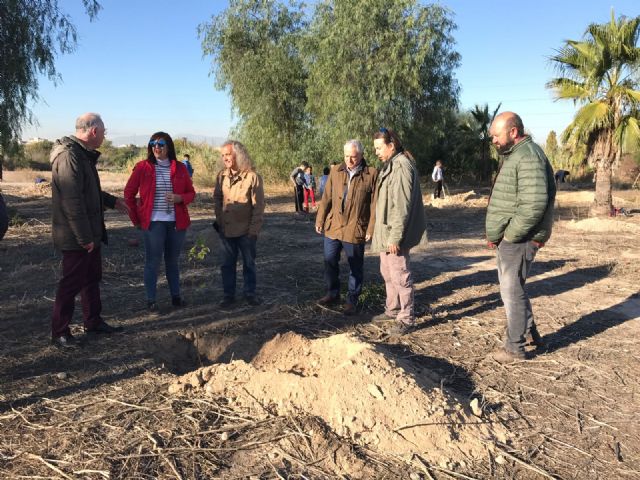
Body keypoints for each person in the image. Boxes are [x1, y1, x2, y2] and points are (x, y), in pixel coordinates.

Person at [49, 113, 127, 348]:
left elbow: (89, 192)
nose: (104, 136)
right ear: (93, 131)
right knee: (71, 283)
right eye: (104, 132)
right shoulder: (69, 157)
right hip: (76, 236)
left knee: (91, 278)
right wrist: (84, 238)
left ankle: (93, 321)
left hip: (88, 233)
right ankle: (60, 332)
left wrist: (113, 202)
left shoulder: (82, 155)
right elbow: (72, 201)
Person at [486, 112, 556, 363]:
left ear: (513, 132)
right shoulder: (518, 155)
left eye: (496, 135)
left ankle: (514, 347)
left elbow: (534, 204)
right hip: (516, 239)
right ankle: (528, 334)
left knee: (511, 291)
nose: (492, 139)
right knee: (514, 287)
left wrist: (510, 235)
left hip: (520, 239)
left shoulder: (528, 157)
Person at [124, 132, 196, 313]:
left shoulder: (179, 168)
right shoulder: (143, 167)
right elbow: (128, 194)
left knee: (172, 261)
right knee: (152, 262)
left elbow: (191, 193)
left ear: (169, 146)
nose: (156, 147)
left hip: (176, 223)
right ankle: (151, 300)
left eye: (161, 143)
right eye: (152, 143)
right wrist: (136, 219)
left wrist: (180, 198)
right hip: (154, 222)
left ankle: (176, 297)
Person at [371, 127, 427, 335]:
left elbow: (401, 205)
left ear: (391, 145)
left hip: (394, 234)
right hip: (386, 232)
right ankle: (392, 309)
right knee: (387, 273)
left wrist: (396, 237)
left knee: (400, 275)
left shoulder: (402, 166)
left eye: (379, 148)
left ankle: (406, 318)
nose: (376, 152)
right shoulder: (391, 164)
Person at [315, 140, 378, 315]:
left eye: (353, 157)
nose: (349, 160)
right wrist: (320, 219)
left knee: (355, 266)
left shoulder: (371, 174)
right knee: (329, 260)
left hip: (355, 228)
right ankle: (332, 293)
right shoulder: (335, 171)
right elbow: (326, 198)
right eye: (346, 156)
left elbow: (375, 205)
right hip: (333, 226)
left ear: (361, 155)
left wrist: (371, 228)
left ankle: (352, 299)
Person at [214, 140, 265, 307]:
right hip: (226, 230)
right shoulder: (221, 176)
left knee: (249, 264)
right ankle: (228, 295)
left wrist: (254, 230)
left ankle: (250, 294)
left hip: (246, 231)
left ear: (238, 154)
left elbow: (258, 206)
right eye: (223, 155)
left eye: (228, 154)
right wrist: (220, 222)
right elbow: (217, 199)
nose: (225, 158)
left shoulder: (253, 177)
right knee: (226, 265)